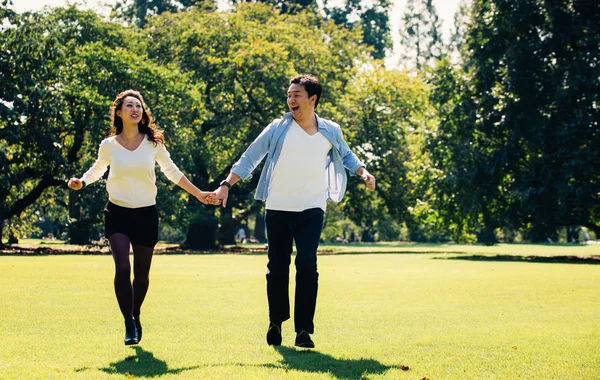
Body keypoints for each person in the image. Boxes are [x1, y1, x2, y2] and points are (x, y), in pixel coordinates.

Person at [212, 75, 376, 348]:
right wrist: (226, 184)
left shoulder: (330, 130)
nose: (291, 100)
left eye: (297, 95)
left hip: (312, 207)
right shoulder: (278, 128)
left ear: (313, 99)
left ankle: (303, 331)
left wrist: (363, 171)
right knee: (277, 268)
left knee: (307, 265)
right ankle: (276, 322)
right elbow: (251, 156)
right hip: (277, 207)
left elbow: (346, 155)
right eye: (289, 95)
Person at [67, 90, 214, 346]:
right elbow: (98, 169)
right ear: (119, 112)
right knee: (122, 267)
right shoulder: (109, 145)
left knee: (142, 275)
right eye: (129, 105)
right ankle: (129, 323)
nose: (135, 109)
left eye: (138, 105)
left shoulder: (153, 143)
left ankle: (136, 314)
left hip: (146, 213)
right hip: (118, 213)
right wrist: (82, 181)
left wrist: (199, 194)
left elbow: (173, 172)